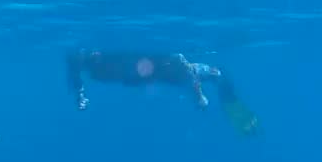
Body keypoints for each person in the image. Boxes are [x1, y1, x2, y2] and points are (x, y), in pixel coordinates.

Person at [65, 48, 259, 134]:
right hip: (156, 72)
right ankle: (230, 102)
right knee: (212, 75)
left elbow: (180, 62)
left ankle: (231, 103)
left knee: (214, 75)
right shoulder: (89, 60)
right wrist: (80, 94)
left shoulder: (102, 60)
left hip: (165, 71)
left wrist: (198, 96)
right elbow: (75, 64)